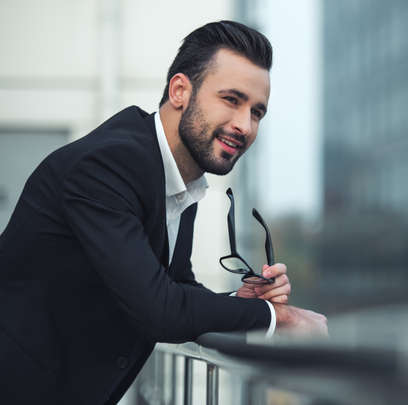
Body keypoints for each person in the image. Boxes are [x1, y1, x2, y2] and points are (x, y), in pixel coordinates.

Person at [0, 20, 327, 404]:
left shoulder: (173, 176)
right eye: (231, 99)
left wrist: (241, 302)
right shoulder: (109, 165)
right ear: (179, 91)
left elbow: (177, 289)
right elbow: (158, 308)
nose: (244, 125)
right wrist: (278, 319)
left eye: (257, 112)